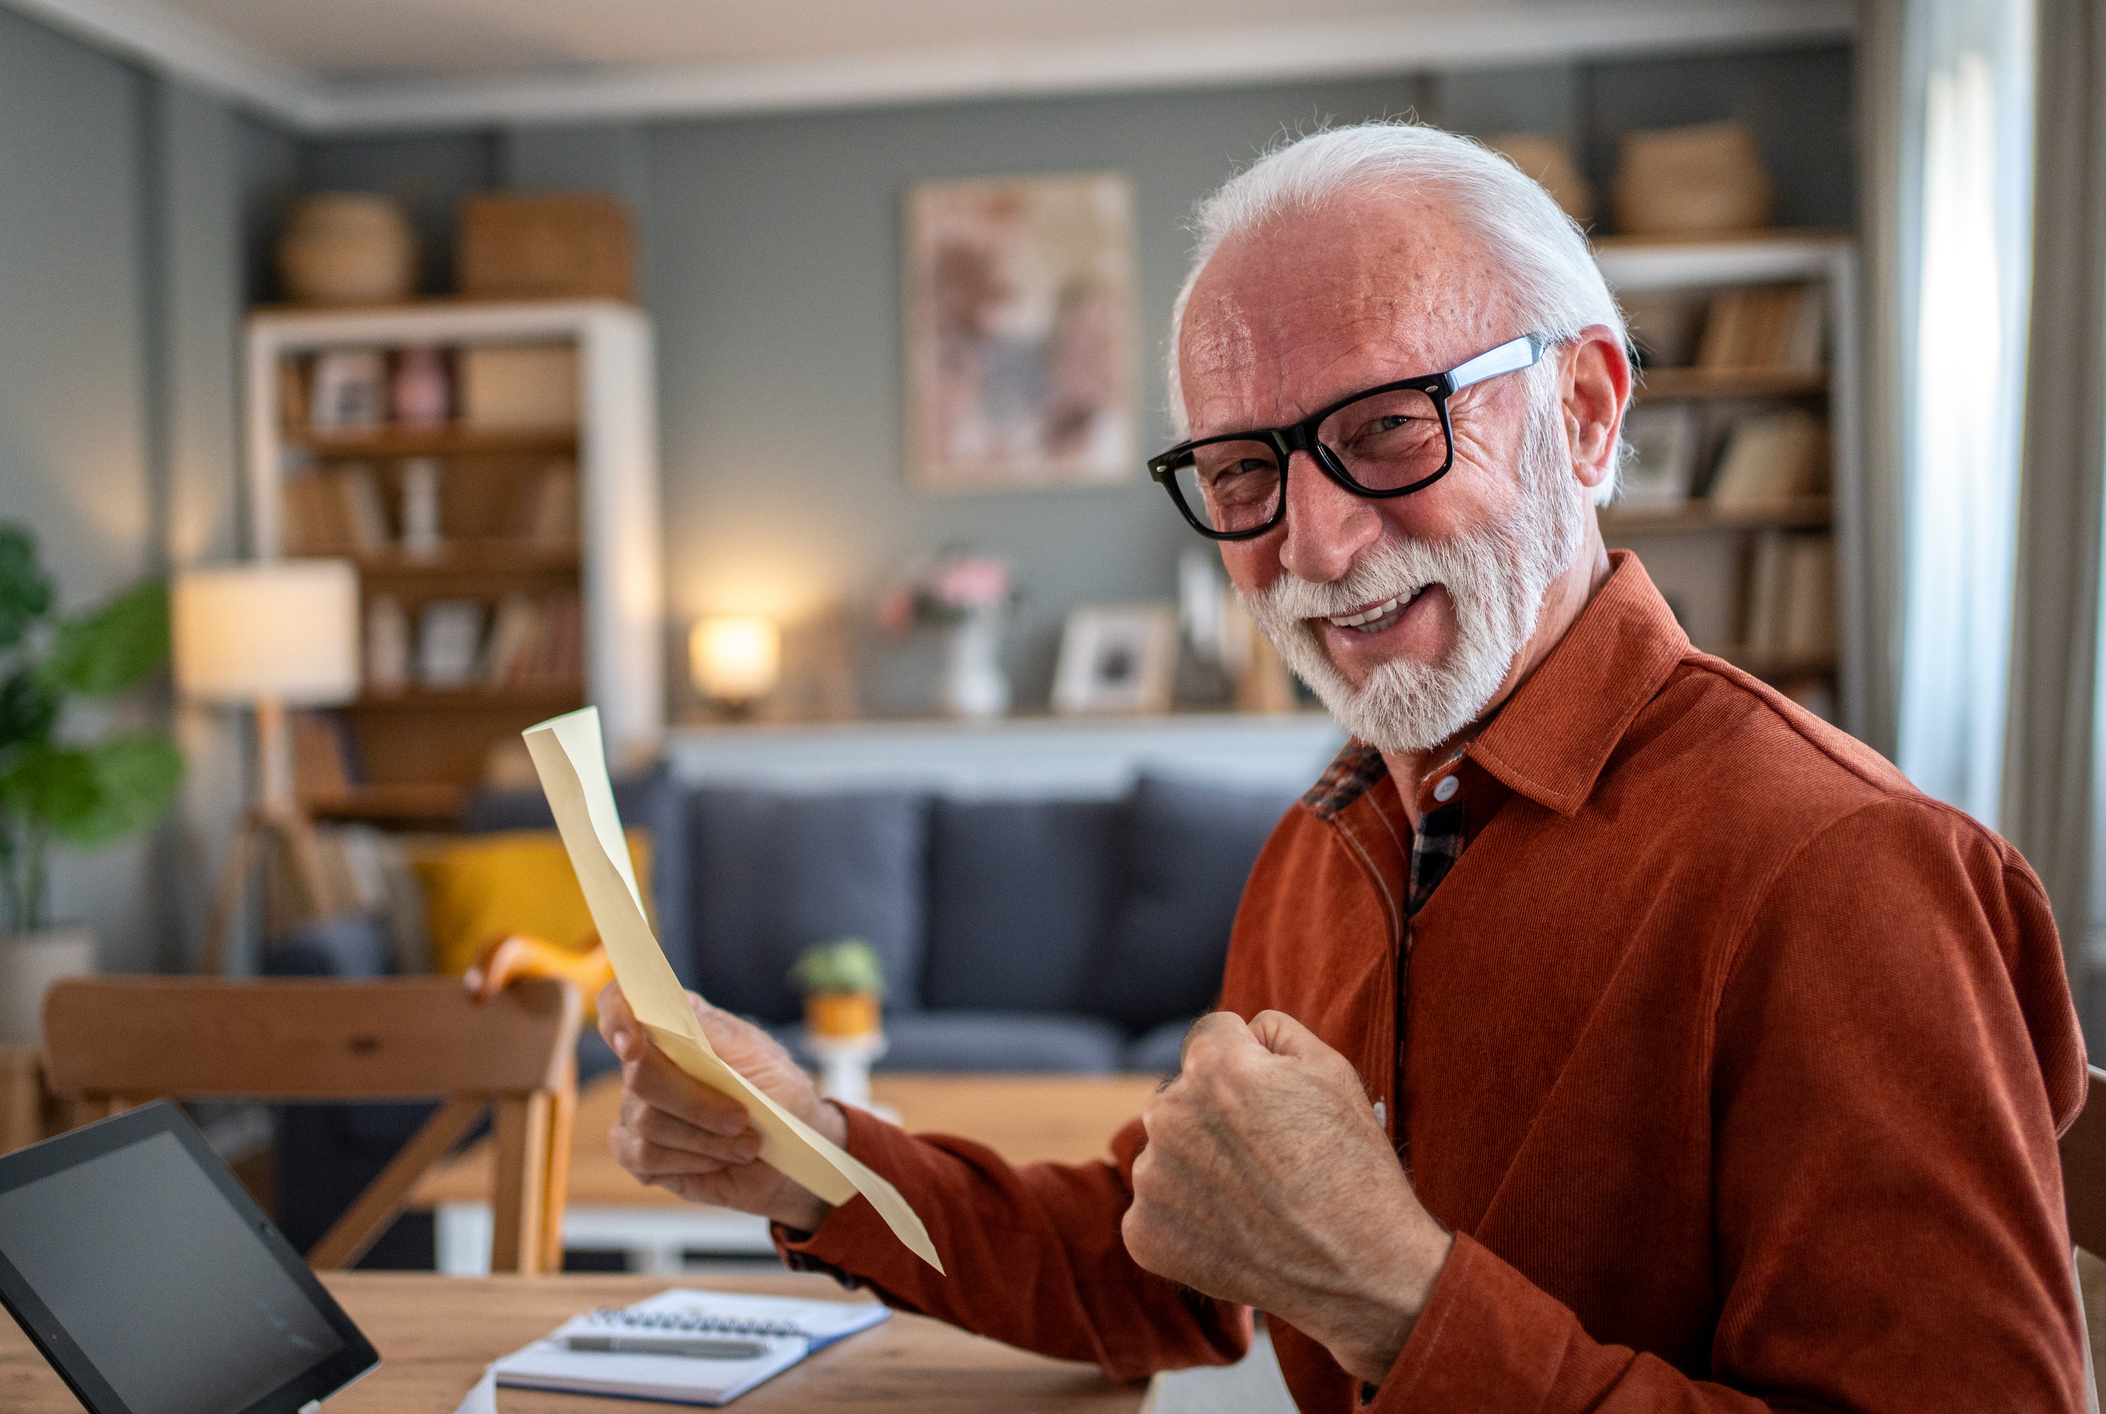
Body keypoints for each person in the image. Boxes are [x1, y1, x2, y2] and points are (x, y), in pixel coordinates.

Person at [598, 122, 2090, 1411]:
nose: (1311, 546)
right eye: (1243, 470)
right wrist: (810, 1157)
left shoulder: (1849, 871)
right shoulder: (1348, 824)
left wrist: (1397, 1294)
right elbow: (1163, 1249)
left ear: (1582, 411)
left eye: (1386, 428)